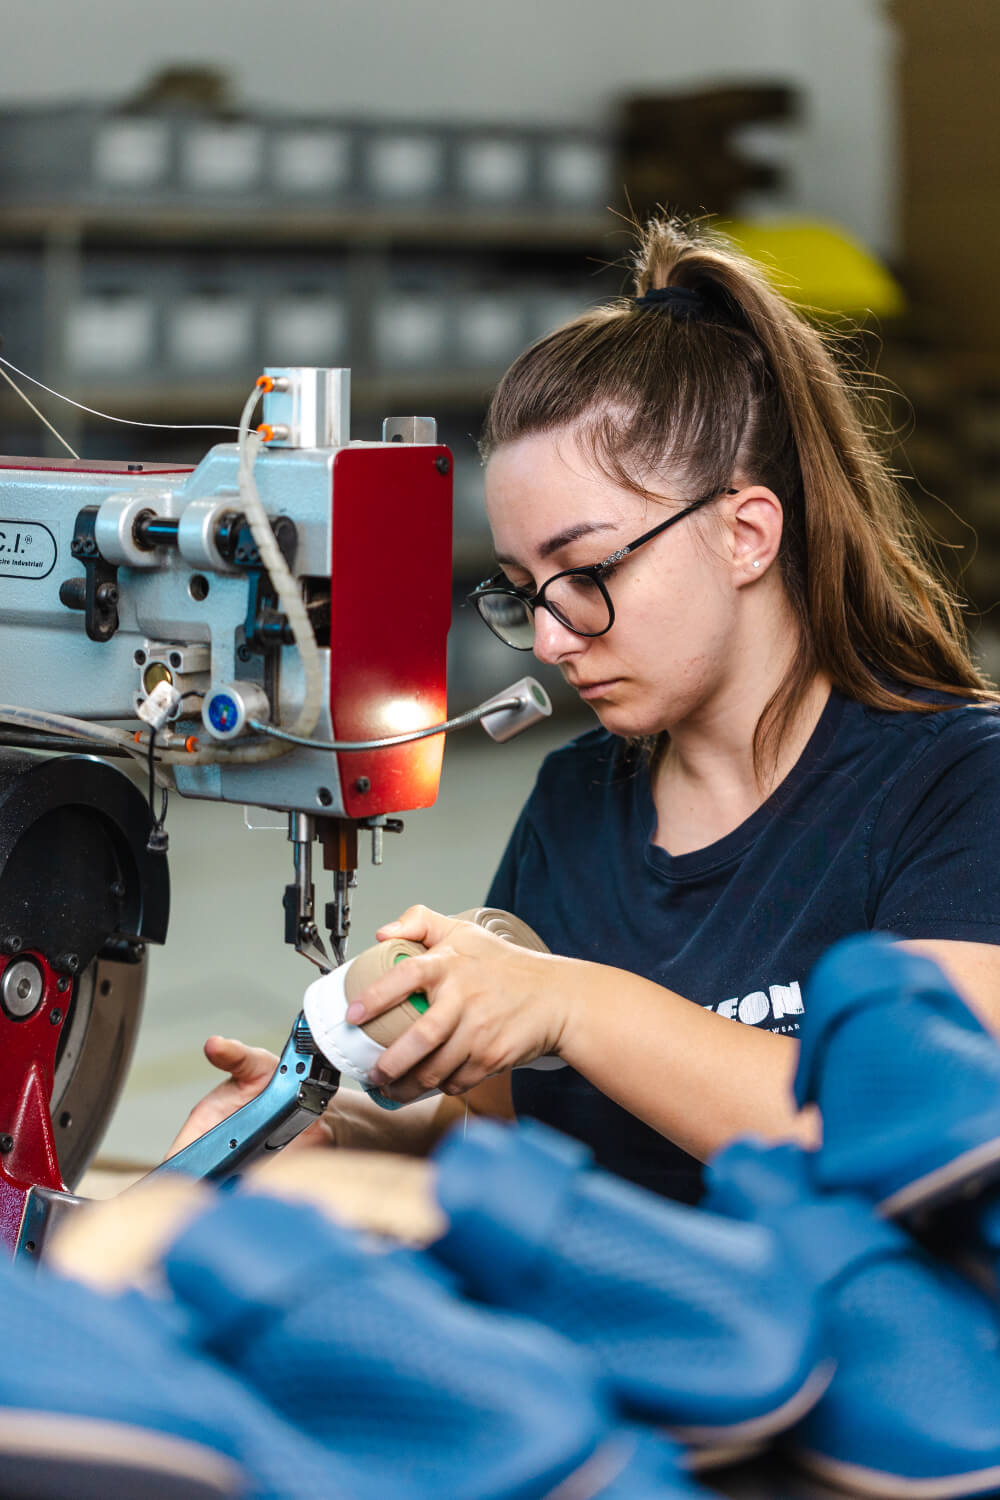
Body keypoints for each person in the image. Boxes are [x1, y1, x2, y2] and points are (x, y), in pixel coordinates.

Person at [173, 216, 1000, 1204]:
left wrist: (568, 1001)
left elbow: (915, 1139)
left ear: (745, 533)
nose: (556, 638)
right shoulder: (576, 801)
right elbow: (503, 1126)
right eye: (523, 589)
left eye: (586, 571)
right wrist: (330, 1130)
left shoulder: (957, 785)